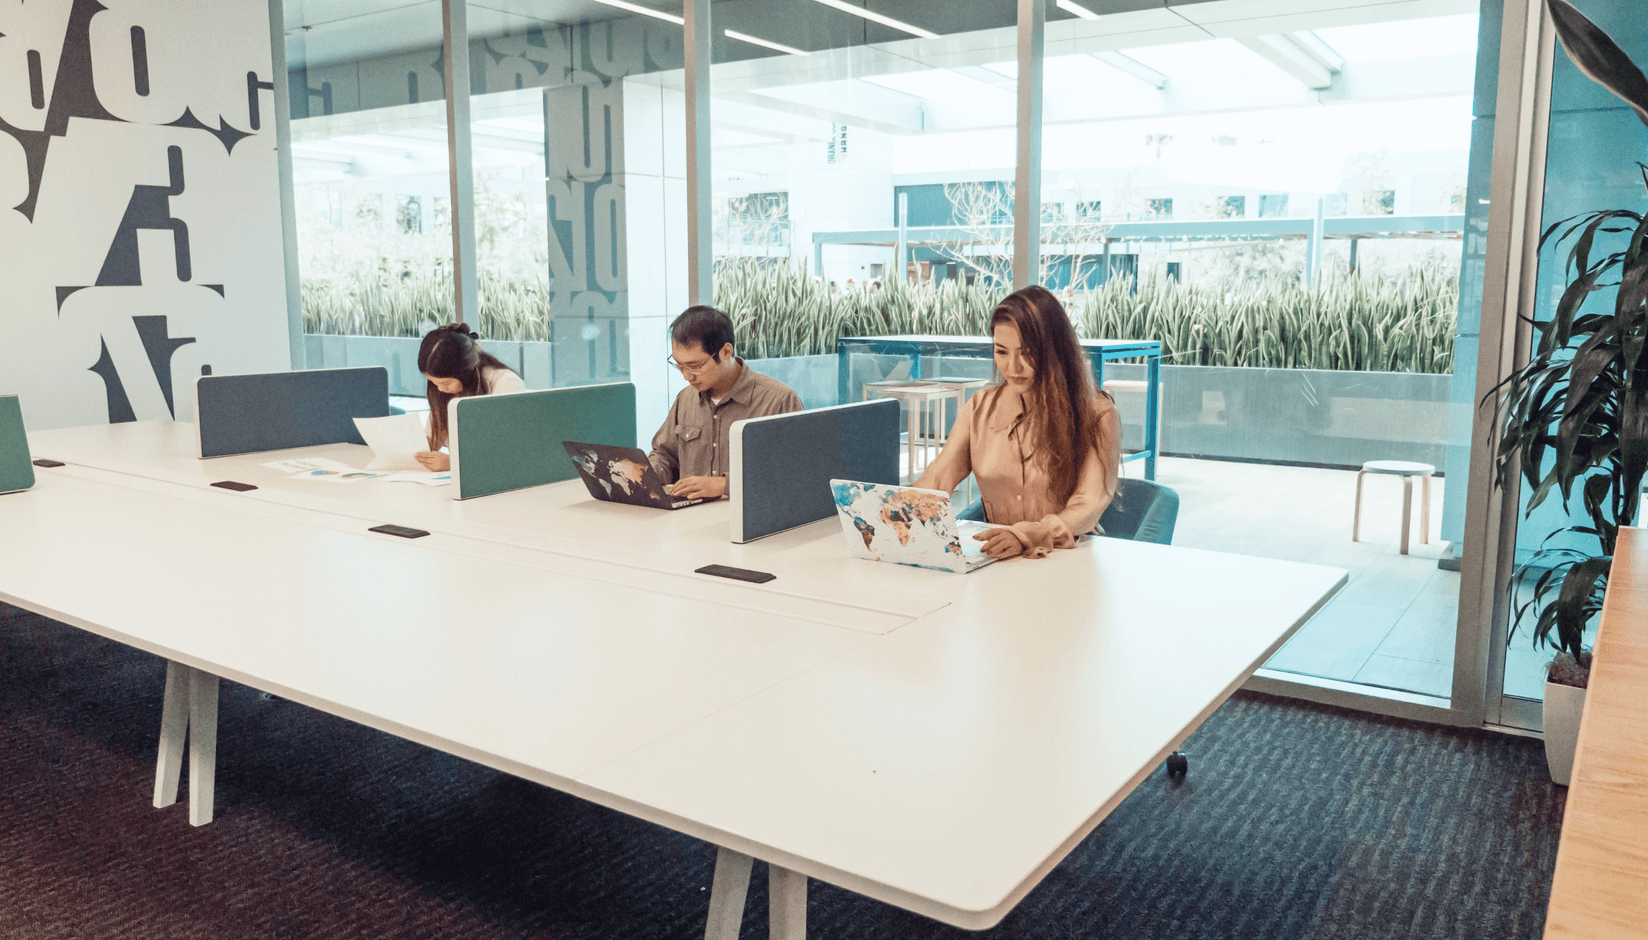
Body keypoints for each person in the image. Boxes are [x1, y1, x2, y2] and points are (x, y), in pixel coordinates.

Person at [914, 285, 1121, 560]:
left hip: (1068, 558)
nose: (1013, 367)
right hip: (999, 557)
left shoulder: (1098, 413)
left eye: (1027, 352)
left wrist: (1026, 535)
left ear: (1055, 351)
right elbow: (938, 478)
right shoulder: (979, 407)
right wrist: (896, 510)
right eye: (1002, 352)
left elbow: (1089, 503)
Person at [648, 305, 803, 500]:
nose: (687, 376)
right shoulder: (686, 398)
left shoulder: (779, 401)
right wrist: (646, 473)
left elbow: (797, 472)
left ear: (726, 351)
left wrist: (726, 484)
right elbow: (664, 456)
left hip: (754, 515)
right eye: (680, 365)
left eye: (695, 366)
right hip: (689, 516)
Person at [414, 323, 526, 471]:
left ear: (466, 371)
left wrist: (454, 464)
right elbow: (433, 436)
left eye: (446, 383)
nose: (440, 389)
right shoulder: (445, 391)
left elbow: (511, 453)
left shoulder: (505, 384)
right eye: (433, 383)